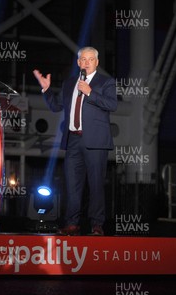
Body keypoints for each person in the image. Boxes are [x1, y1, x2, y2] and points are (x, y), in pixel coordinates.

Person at [33, 46, 117, 236]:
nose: (86, 63)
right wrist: (46, 89)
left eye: (90, 59)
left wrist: (90, 92)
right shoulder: (70, 83)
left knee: (95, 185)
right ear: (78, 63)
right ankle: (72, 223)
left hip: (95, 142)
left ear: (97, 62)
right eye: (83, 60)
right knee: (72, 185)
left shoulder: (106, 82)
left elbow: (112, 104)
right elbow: (56, 107)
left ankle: (97, 225)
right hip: (73, 141)